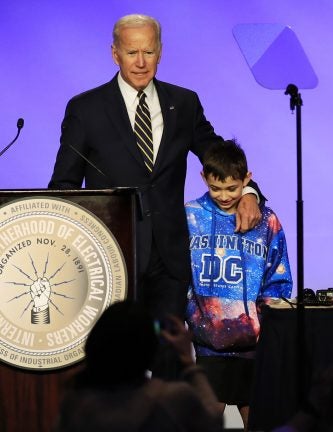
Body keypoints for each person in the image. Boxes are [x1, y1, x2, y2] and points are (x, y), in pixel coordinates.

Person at [47, 13, 265, 379]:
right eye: (131, 52)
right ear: (114, 53)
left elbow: (216, 153)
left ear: (160, 52)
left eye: (148, 52)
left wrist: (249, 191)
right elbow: (64, 185)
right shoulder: (86, 109)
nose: (140, 62)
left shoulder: (184, 103)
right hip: (112, 255)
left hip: (168, 259)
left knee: (169, 363)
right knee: (116, 364)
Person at [185, 139, 292, 429]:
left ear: (247, 180)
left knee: (257, 420)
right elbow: (179, 273)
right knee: (204, 421)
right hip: (208, 343)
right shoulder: (191, 215)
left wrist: (265, 323)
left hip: (254, 344)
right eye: (215, 188)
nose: (223, 196)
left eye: (232, 188)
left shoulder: (266, 221)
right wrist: (193, 316)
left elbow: (278, 278)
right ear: (203, 178)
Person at [53, 300, 223, 432]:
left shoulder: (76, 405)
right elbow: (213, 421)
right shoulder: (173, 398)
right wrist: (189, 363)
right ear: (150, 349)